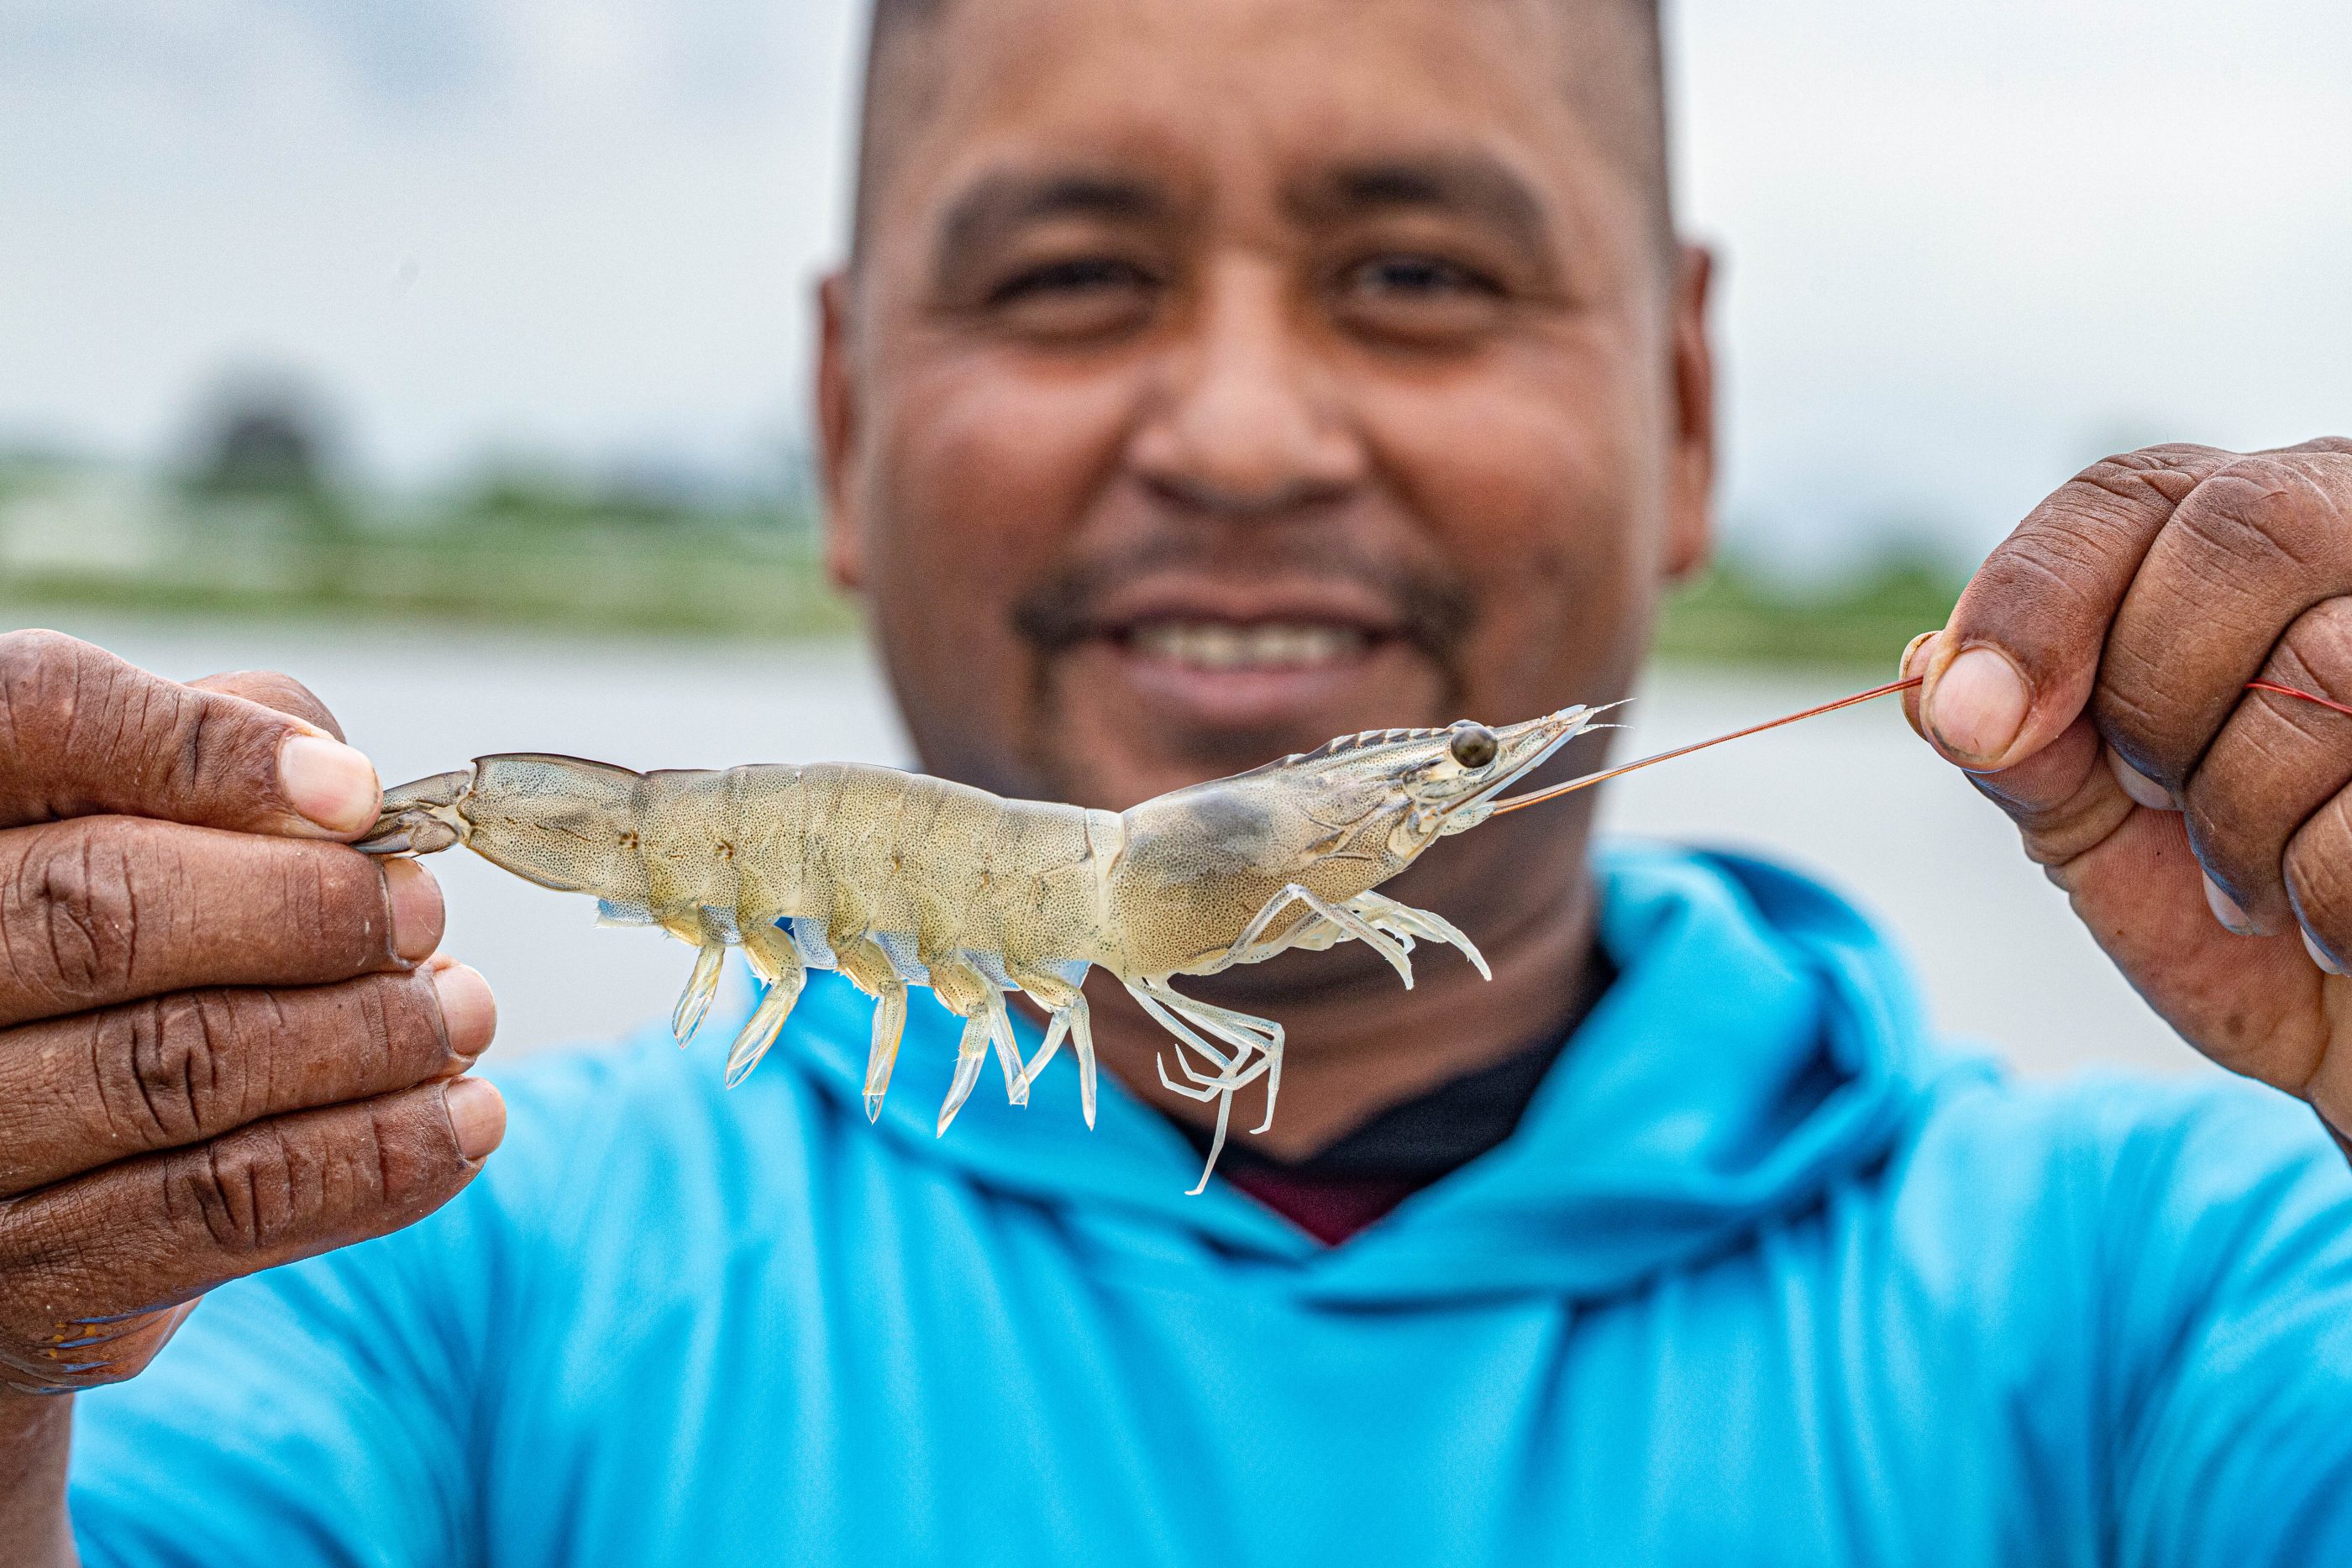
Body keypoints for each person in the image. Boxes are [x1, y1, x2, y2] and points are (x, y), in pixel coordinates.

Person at [8, 0, 2352, 1560]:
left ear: (1690, 412)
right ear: (838, 420)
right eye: (1068, 279)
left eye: (1420, 271)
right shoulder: (418, 1273)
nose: (1239, 432)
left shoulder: (2191, 1283)